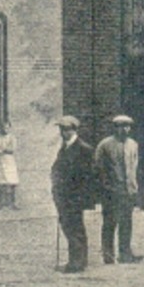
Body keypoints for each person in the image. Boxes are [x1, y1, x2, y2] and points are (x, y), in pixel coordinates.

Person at [50, 115, 96, 273]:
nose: (62, 132)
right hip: (64, 197)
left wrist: (80, 197)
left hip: (74, 198)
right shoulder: (65, 147)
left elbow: (88, 177)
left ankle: (77, 263)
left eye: (65, 129)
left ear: (74, 130)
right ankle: (77, 260)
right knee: (69, 227)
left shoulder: (84, 149)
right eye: (61, 129)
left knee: (75, 228)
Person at [94, 114, 141, 264]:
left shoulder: (133, 144)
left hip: (128, 191)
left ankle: (125, 253)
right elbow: (97, 168)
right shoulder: (105, 145)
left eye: (128, 126)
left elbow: (134, 166)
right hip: (111, 192)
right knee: (109, 222)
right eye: (122, 126)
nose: (125, 129)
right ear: (115, 128)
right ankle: (108, 255)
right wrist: (105, 186)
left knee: (126, 223)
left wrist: (133, 187)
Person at [0, 117, 19, 209]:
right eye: (3, 127)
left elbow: (12, 148)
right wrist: (4, 149)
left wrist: (4, 149)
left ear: (10, 128)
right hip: (0, 160)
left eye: (7, 128)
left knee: (12, 181)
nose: (5, 129)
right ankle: (0, 202)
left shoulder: (12, 137)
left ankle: (12, 203)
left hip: (9, 161)